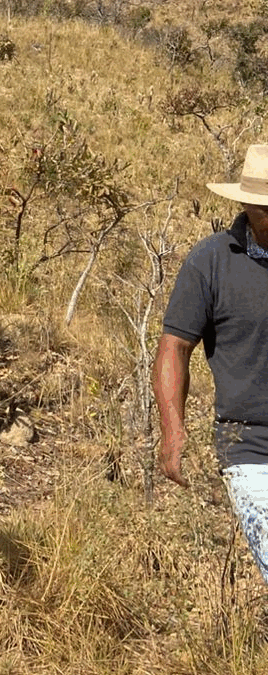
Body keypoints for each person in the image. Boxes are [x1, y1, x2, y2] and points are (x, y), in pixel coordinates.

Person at [155, 144, 268, 585]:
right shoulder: (211, 261)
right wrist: (172, 431)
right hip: (251, 449)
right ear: (245, 204)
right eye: (265, 209)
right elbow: (174, 349)